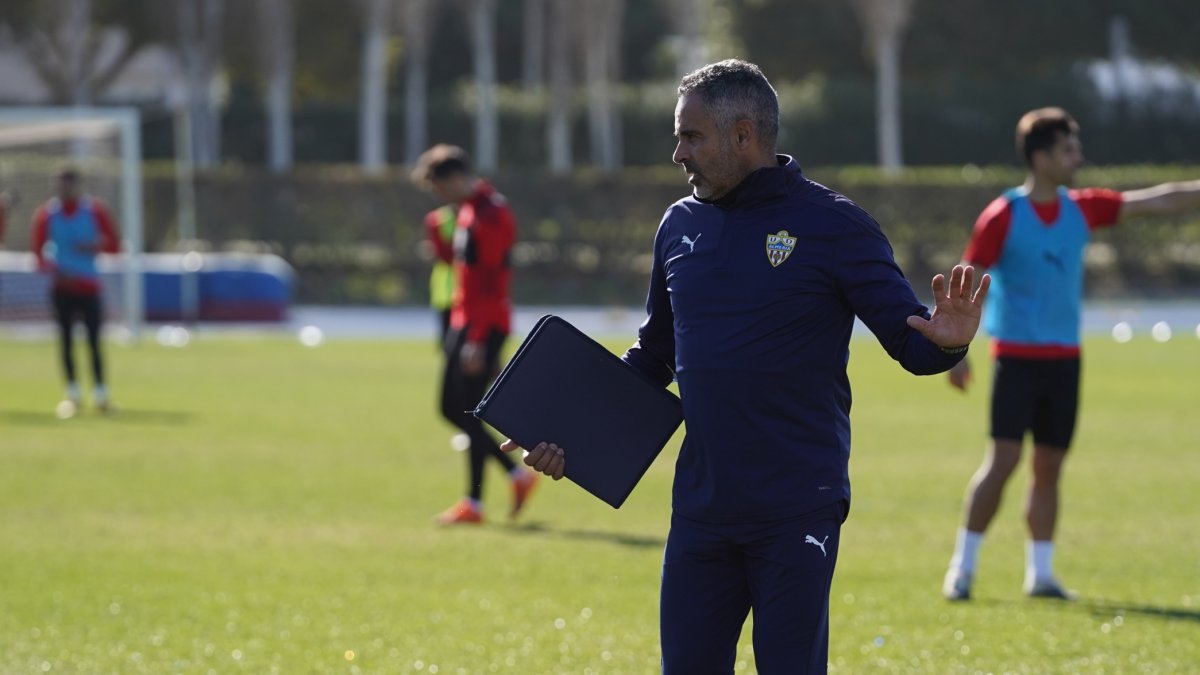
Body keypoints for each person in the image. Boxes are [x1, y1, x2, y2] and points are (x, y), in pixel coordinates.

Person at [502, 59, 990, 673]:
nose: (677, 153)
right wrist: (564, 424)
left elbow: (912, 345)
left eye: (691, 136)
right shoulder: (678, 226)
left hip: (796, 505)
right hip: (702, 509)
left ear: (743, 138)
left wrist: (948, 342)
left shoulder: (835, 226)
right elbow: (654, 356)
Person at [942, 107, 1200, 602]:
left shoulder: (1083, 208)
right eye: (1068, 149)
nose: (1078, 158)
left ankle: (1040, 574)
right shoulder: (1004, 215)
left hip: (1065, 360)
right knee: (1004, 460)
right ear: (1041, 158)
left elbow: (1158, 200)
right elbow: (964, 281)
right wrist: (956, 352)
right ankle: (963, 568)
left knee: (1050, 467)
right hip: (1016, 358)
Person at [410, 144, 539, 526]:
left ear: (454, 178)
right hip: (465, 321)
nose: (439, 197)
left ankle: (480, 499)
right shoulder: (471, 211)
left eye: (438, 188)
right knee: (458, 409)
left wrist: (479, 339)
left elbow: (491, 283)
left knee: (462, 409)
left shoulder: (493, 214)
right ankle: (505, 482)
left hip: (481, 324)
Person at [30, 167, 121, 417]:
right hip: (62, 288)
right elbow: (38, 257)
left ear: (77, 185)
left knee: (93, 342)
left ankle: (101, 394)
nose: (61, 190)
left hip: (89, 286)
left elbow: (115, 246)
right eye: (57, 185)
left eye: (65, 185)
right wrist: (57, 271)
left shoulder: (94, 211)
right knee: (66, 341)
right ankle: (72, 394)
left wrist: (95, 245)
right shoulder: (46, 215)